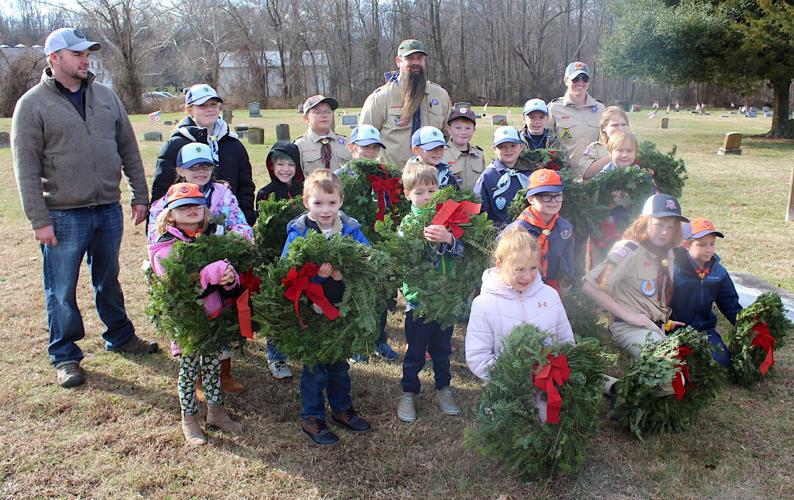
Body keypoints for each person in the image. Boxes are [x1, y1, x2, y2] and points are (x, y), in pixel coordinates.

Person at [11, 27, 157, 388]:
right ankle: (65, 355)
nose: (85, 59)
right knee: (61, 288)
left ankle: (120, 336)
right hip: (62, 214)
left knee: (108, 278)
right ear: (54, 58)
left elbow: (128, 148)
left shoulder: (106, 96)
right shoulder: (31, 105)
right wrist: (38, 219)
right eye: (77, 54)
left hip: (107, 208)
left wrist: (140, 195)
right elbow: (25, 168)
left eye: (87, 53)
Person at [148, 142, 252, 391]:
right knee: (192, 325)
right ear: (180, 170)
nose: (201, 171)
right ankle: (194, 378)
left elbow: (242, 226)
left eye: (206, 166)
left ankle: (223, 374)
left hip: (221, 269)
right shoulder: (168, 200)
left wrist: (228, 243)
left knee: (222, 318)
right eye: (194, 167)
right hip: (185, 275)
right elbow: (156, 234)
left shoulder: (223, 195)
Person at [148, 183, 243, 446]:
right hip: (187, 321)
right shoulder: (163, 247)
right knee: (189, 371)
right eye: (183, 206)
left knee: (213, 365)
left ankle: (216, 411)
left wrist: (229, 278)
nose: (191, 210)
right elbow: (177, 281)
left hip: (212, 315)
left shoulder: (211, 239)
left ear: (205, 210)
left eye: (196, 205)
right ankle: (189, 418)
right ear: (170, 215)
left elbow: (224, 277)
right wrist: (212, 272)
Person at [282, 170, 372, 445]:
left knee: (339, 363)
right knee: (315, 367)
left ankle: (342, 409)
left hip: (340, 307)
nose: (325, 210)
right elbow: (288, 270)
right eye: (318, 203)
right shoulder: (299, 232)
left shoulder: (350, 229)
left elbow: (367, 259)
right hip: (311, 310)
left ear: (341, 201)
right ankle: (312, 416)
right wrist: (318, 276)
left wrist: (344, 272)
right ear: (306, 201)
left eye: (331, 203)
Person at [582, 194, 689, 396]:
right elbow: (589, 286)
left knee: (680, 373)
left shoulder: (668, 252)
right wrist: (628, 315)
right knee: (671, 377)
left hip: (655, 327)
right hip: (628, 326)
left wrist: (663, 320)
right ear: (645, 221)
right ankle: (609, 385)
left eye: (671, 226)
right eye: (659, 224)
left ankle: (629, 381)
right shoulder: (628, 250)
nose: (665, 232)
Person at [466, 227, 574, 395]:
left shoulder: (550, 296)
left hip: (548, 386)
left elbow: (566, 340)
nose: (527, 276)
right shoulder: (484, 304)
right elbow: (478, 356)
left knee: (548, 420)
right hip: (507, 391)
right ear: (500, 265)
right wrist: (515, 377)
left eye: (533, 268)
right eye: (519, 269)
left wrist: (552, 372)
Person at [396, 163, 463, 423]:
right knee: (415, 349)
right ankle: (409, 391)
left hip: (445, 299)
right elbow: (408, 262)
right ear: (408, 195)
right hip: (420, 302)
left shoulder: (448, 219)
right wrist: (426, 244)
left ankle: (443, 388)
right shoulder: (408, 225)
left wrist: (448, 239)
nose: (426, 197)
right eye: (420, 192)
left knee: (442, 348)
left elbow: (461, 253)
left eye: (432, 190)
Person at [337, 125, 399, 364]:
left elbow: (394, 208)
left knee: (381, 294)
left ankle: (379, 340)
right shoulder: (340, 177)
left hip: (379, 242)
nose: (370, 152)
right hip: (351, 243)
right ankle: (357, 345)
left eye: (375, 147)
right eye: (365, 147)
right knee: (355, 294)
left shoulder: (385, 176)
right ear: (352, 148)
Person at [150, 84, 256, 224]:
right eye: (202, 105)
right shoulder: (175, 146)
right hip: (184, 227)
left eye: (213, 104)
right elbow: (161, 189)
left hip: (228, 223)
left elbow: (245, 187)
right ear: (189, 110)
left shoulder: (234, 145)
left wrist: (245, 219)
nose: (210, 109)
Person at [359, 39, 452, 168]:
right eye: (410, 58)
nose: (415, 63)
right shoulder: (380, 98)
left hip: (430, 180)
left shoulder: (440, 95)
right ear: (398, 61)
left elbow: (448, 135)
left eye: (419, 58)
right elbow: (364, 139)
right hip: (392, 177)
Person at [671, 218, 742, 366]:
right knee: (680, 363)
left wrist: (748, 326)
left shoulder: (718, 272)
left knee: (721, 361)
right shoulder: (673, 270)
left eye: (712, 243)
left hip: (704, 330)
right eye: (701, 245)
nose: (708, 249)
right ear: (686, 245)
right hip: (674, 329)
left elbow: (731, 304)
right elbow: (660, 302)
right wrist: (664, 323)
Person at [506, 169, 574, 293]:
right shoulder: (518, 229)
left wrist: (566, 279)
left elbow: (567, 257)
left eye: (558, 195)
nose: (553, 201)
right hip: (521, 286)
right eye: (546, 196)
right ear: (531, 199)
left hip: (552, 287)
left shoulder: (565, 228)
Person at [548, 62, 606, 173]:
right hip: (565, 176)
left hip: (594, 177)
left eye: (584, 79)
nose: (580, 83)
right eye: (575, 79)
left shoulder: (600, 109)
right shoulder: (553, 109)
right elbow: (545, 143)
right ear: (566, 80)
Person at [473, 126, 530, 228]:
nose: (508, 150)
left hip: (529, 229)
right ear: (494, 149)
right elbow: (479, 211)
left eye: (513, 145)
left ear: (521, 147)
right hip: (499, 234)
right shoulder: (488, 177)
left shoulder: (529, 172)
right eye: (502, 147)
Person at [294, 95, 352, 175]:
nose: (324, 115)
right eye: (318, 112)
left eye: (328, 111)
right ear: (306, 118)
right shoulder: (300, 145)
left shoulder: (345, 143)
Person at [579, 106, 630, 180]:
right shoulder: (595, 147)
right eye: (615, 125)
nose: (620, 129)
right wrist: (614, 155)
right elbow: (586, 174)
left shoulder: (633, 147)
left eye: (624, 124)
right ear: (603, 128)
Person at [442, 105, 485, 190]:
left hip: (475, 202)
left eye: (468, 128)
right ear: (449, 129)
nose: (463, 132)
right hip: (450, 202)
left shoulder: (479, 155)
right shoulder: (441, 154)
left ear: (474, 130)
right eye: (458, 128)